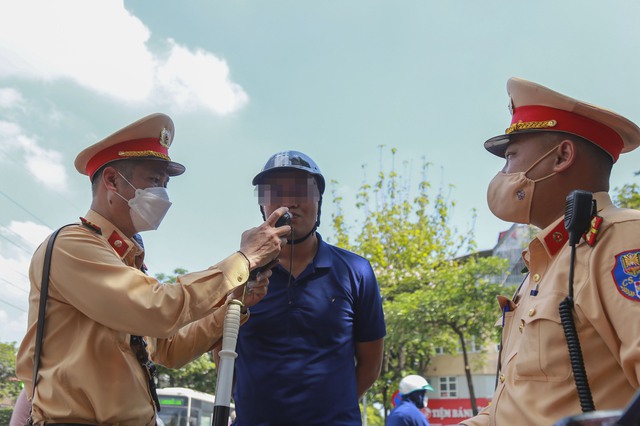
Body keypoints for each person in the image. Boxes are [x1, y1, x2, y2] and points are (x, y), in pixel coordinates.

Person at [15, 113, 291, 425]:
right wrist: (242, 260)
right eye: (153, 181)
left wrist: (234, 303)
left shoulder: (126, 261)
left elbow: (171, 349)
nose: (163, 193)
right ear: (112, 181)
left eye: (165, 183)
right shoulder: (72, 246)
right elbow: (157, 309)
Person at [461, 78, 640, 425]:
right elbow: (515, 408)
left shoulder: (619, 239)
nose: (503, 173)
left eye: (511, 156)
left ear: (561, 156)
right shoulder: (544, 264)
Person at [224, 150, 386, 425]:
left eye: (301, 191)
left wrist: (333, 410)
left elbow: (371, 365)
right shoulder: (237, 272)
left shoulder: (356, 271)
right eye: (276, 193)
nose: (290, 203)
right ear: (263, 206)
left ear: (319, 200)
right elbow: (223, 356)